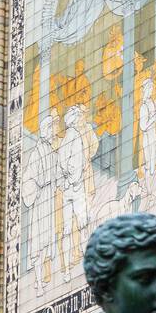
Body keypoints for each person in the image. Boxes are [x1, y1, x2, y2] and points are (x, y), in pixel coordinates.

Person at [21, 114, 57, 292]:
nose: (55, 131)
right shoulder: (37, 152)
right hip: (41, 200)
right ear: (46, 130)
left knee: (46, 240)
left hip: (49, 198)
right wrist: (39, 186)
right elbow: (30, 178)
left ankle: (42, 278)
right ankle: (38, 280)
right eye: (52, 128)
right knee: (39, 240)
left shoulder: (51, 150)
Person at [57, 106, 89, 278]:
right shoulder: (75, 138)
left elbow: (61, 165)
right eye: (77, 117)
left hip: (67, 189)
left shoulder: (64, 141)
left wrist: (66, 180)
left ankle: (67, 270)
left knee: (67, 230)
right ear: (73, 120)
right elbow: (76, 163)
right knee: (83, 224)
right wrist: (74, 179)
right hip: (75, 188)